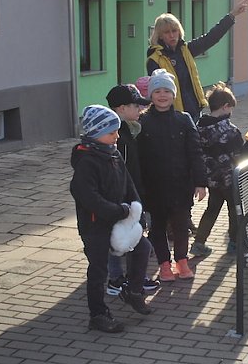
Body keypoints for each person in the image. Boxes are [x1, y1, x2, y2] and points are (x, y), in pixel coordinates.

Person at [69, 105, 153, 334]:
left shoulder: (113, 153)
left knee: (143, 248)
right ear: (95, 133)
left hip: (121, 219)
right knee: (98, 271)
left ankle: (134, 291)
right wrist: (119, 211)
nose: (117, 136)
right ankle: (97, 314)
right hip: (95, 226)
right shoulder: (86, 162)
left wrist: (136, 208)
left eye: (117, 131)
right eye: (111, 132)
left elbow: (128, 184)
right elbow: (89, 198)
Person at [137, 69, 207, 281]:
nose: (162, 95)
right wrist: (138, 188)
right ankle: (164, 264)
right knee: (157, 227)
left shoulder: (184, 120)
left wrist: (200, 182)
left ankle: (181, 262)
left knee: (181, 225)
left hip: (180, 186)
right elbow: (137, 159)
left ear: (173, 94)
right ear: (150, 95)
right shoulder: (143, 122)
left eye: (166, 91)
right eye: (157, 91)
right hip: (154, 187)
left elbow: (196, 152)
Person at [146, 0, 248, 121]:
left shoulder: (186, 50)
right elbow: (156, 92)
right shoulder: (155, 59)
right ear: (160, 35)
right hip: (174, 116)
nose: (172, 35)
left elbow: (211, 38)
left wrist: (232, 15)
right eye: (167, 32)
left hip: (195, 112)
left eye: (174, 31)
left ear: (179, 32)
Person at [104, 84, 161, 297]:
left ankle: (128, 277)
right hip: (122, 200)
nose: (140, 110)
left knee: (129, 239)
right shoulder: (119, 136)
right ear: (121, 108)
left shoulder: (128, 130)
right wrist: (126, 200)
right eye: (136, 106)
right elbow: (119, 173)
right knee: (121, 240)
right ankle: (118, 279)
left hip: (131, 196)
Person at [190, 83, 244, 257]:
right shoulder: (230, 130)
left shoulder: (199, 127)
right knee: (234, 210)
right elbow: (239, 155)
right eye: (231, 108)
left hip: (211, 179)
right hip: (229, 179)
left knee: (212, 209)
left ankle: (199, 242)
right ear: (225, 106)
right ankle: (234, 243)